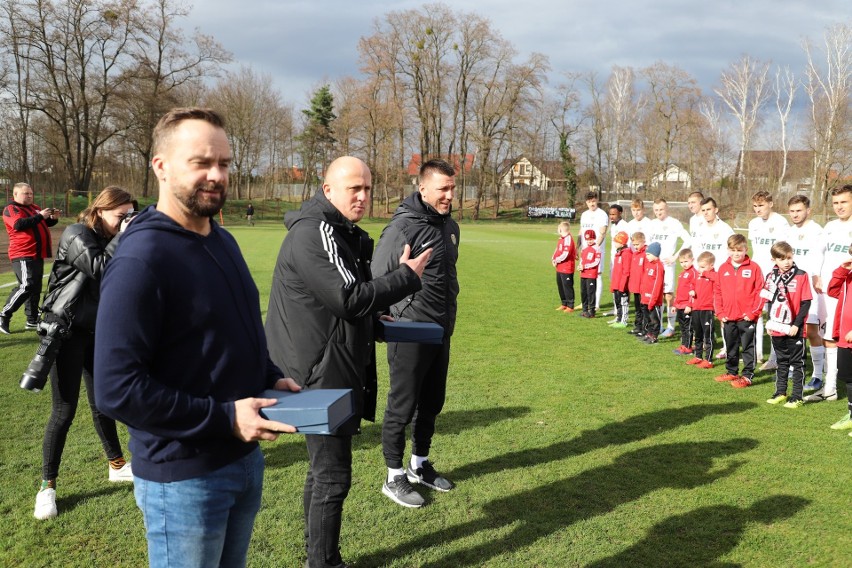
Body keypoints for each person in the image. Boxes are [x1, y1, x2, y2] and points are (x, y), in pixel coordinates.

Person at [94, 108, 302, 568]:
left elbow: (229, 332)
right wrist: (225, 418)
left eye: (225, 164)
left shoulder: (220, 238)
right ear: (161, 166)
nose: (216, 175)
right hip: (183, 479)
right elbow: (115, 388)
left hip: (242, 460)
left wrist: (269, 375)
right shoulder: (142, 259)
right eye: (201, 162)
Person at [264, 156, 429, 567]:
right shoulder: (315, 232)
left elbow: (342, 306)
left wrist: (374, 319)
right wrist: (406, 276)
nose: (362, 195)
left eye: (368, 188)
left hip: (326, 366)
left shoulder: (341, 233)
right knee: (333, 478)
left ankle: (316, 558)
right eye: (354, 187)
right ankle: (324, 562)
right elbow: (347, 297)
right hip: (318, 374)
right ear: (328, 190)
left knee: (322, 473)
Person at [32, 186, 135, 521]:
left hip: (97, 331)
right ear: (100, 211)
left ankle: (117, 465)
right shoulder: (77, 234)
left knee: (103, 403)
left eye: (128, 216)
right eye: (120, 216)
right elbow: (101, 267)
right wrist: (126, 235)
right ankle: (47, 487)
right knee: (64, 411)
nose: (124, 223)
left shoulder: (112, 239)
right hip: (65, 330)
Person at [371, 158, 461, 509]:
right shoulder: (402, 228)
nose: (449, 195)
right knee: (402, 404)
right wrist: (385, 318)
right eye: (442, 189)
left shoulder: (450, 226)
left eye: (452, 188)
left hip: (441, 329)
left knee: (433, 402)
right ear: (422, 188)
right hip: (408, 329)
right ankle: (393, 475)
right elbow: (379, 276)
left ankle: (419, 464)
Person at [806, 184, 852, 404]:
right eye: (835, 203)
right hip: (827, 291)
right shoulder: (831, 226)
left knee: (838, 338)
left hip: (846, 292)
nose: (839, 207)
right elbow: (818, 251)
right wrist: (816, 274)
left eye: (844, 202)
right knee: (828, 337)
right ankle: (830, 388)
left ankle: (832, 387)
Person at [1, 182, 60, 334]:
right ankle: (3, 315)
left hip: (36, 253)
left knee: (35, 288)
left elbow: (43, 223)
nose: (29, 196)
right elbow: (19, 224)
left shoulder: (34, 208)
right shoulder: (11, 208)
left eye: (31, 193)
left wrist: (53, 218)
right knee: (27, 285)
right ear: (15, 194)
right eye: (25, 193)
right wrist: (40, 215)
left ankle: (32, 320)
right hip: (22, 253)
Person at [784, 195, 826, 392]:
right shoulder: (789, 232)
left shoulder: (817, 231)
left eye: (798, 210)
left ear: (808, 210)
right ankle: (795, 365)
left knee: (811, 331)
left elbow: (820, 256)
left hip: (811, 287)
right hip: (793, 287)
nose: (795, 214)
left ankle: (818, 375)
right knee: (793, 328)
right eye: (792, 211)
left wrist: (816, 276)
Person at [763, 241, 812, 409]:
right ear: (773, 259)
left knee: (797, 362)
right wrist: (770, 322)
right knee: (782, 361)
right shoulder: (771, 276)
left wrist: (797, 325)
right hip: (777, 326)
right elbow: (770, 301)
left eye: (789, 258)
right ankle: (781, 392)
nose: (786, 262)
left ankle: (797, 396)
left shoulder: (801, 275)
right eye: (782, 258)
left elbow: (806, 302)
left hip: (794, 327)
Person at [713, 234, 765, 388]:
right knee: (731, 345)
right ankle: (732, 371)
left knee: (748, 346)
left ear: (746, 249)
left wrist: (753, 313)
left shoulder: (754, 267)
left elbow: (761, 291)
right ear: (728, 250)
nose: (736, 253)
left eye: (739, 250)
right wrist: (720, 313)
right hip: (728, 317)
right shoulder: (723, 268)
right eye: (732, 250)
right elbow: (717, 292)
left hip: (747, 317)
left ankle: (748, 375)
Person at [748, 191, 789, 370]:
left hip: (775, 277)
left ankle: (775, 358)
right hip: (757, 276)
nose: (758, 209)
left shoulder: (781, 223)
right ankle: (756, 353)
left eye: (761, 205)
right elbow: (755, 250)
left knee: (774, 316)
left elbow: (785, 251)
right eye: (755, 206)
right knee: (756, 314)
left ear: (771, 204)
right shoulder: (753, 224)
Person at [648, 198, 691, 338]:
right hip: (655, 266)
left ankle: (671, 326)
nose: (659, 212)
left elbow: (688, 240)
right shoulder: (652, 224)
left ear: (667, 209)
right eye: (656, 210)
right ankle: (658, 325)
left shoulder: (674, 223)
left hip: (668, 265)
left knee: (668, 296)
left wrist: (675, 256)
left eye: (661, 209)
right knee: (657, 295)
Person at [825, 249, 852, 435]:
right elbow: (832, 290)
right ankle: (851, 415)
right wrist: (842, 270)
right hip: (844, 337)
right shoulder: (848, 277)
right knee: (849, 379)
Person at [686, 251, 717, 369]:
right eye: (699, 266)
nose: (700, 269)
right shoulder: (698, 276)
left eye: (703, 267)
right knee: (697, 334)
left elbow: (718, 280)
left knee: (707, 335)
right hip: (696, 308)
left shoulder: (714, 276)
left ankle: (708, 359)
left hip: (707, 309)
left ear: (711, 266)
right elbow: (692, 285)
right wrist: (691, 293)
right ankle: (698, 356)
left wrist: (706, 273)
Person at [579, 191, 608, 310]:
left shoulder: (602, 214)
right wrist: (577, 247)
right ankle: (585, 302)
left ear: (597, 200)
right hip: (585, 250)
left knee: (597, 274)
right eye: (589, 201)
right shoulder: (584, 214)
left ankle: (595, 304)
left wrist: (595, 248)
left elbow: (603, 231)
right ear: (586, 202)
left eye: (594, 201)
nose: (592, 203)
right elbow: (581, 232)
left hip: (597, 250)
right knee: (585, 275)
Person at [694, 197, 734, 270]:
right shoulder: (699, 229)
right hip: (702, 273)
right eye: (703, 210)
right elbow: (696, 250)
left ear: (716, 210)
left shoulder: (726, 229)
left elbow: (732, 252)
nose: (705, 213)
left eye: (708, 209)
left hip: (719, 273)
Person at [672, 249, 697, 355]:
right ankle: (683, 345)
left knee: (688, 327)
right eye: (681, 262)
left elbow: (694, 291)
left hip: (687, 306)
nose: (684, 264)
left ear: (692, 260)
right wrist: (675, 304)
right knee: (682, 327)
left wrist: (689, 305)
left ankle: (688, 347)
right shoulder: (682, 274)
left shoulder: (693, 273)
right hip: (680, 305)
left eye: (686, 261)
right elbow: (679, 290)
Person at [639, 241, 665, 344]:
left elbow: (657, 285)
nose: (647, 256)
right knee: (647, 318)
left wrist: (652, 300)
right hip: (645, 298)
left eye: (649, 254)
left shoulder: (659, 267)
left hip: (652, 300)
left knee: (654, 319)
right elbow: (645, 280)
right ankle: (649, 333)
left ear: (655, 254)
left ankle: (654, 336)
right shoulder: (649, 264)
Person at [551, 220, 576, 312]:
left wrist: (556, 260)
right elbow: (557, 250)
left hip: (567, 267)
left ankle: (570, 305)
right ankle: (564, 303)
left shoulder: (568, 239)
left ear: (561, 229)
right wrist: (553, 258)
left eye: (558, 228)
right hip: (560, 267)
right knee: (560, 285)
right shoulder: (561, 238)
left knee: (567, 286)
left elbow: (566, 254)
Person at [609, 231, 631, 327]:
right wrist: (613, 285)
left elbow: (626, 272)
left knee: (623, 303)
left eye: (616, 242)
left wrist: (623, 285)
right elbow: (616, 271)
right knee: (617, 302)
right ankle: (618, 318)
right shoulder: (618, 253)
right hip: (616, 284)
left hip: (622, 285)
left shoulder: (626, 254)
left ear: (622, 243)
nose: (614, 243)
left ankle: (623, 321)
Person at [626, 232, 647, 336]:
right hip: (635, 287)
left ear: (643, 241)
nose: (635, 247)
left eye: (637, 245)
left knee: (644, 309)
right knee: (637, 308)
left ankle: (644, 329)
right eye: (633, 245)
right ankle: (637, 327)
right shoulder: (635, 254)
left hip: (643, 288)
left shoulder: (646, 254)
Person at [579, 229, 602, 318]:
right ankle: (584, 310)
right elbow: (582, 259)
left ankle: (592, 311)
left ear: (594, 238)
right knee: (583, 292)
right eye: (588, 239)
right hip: (583, 273)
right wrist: (580, 265)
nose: (589, 241)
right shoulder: (584, 248)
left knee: (591, 292)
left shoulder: (597, 248)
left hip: (591, 274)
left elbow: (596, 262)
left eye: (591, 239)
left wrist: (586, 266)